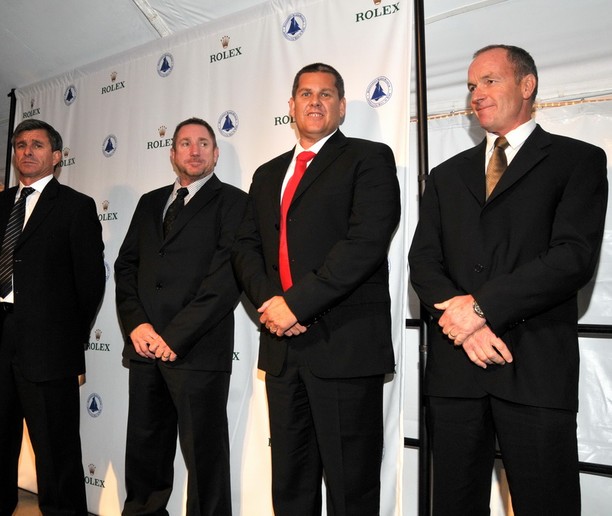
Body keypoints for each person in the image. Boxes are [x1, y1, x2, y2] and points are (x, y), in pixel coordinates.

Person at [408, 44, 608, 515]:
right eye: (472, 86)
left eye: (489, 81)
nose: (476, 94)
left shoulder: (576, 160)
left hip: (534, 367)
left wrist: (478, 309)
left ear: (527, 85)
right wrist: (467, 325)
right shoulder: (444, 175)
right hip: (456, 371)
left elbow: (573, 258)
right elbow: (423, 263)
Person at [232, 63, 400, 516]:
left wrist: (296, 304)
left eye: (327, 95)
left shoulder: (370, 158)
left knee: (351, 486)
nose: (315, 102)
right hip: (283, 350)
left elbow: (364, 245)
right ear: (291, 106)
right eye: (306, 93)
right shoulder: (267, 174)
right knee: (290, 481)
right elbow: (245, 246)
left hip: (344, 345)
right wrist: (271, 304)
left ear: (342, 107)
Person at [115, 117, 247, 516]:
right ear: (172, 154)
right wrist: (137, 325)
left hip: (197, 350)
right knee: (145, 448)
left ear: (216, 153)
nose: (195, 150)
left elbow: (226, 279)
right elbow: (126, 267)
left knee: (204, 457)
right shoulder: (150, 202)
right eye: (185, 143)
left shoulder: (235, 203)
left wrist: (175, 336)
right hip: (145, 348)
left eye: (203, 143)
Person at [0, 119, 105, 515]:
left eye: (36, 145)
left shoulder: (75, 206)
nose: (26, 151)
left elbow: (90, 283)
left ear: (57, 156)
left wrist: (67, 339)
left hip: (50, 349)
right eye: (19, 145)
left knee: (56, 448)